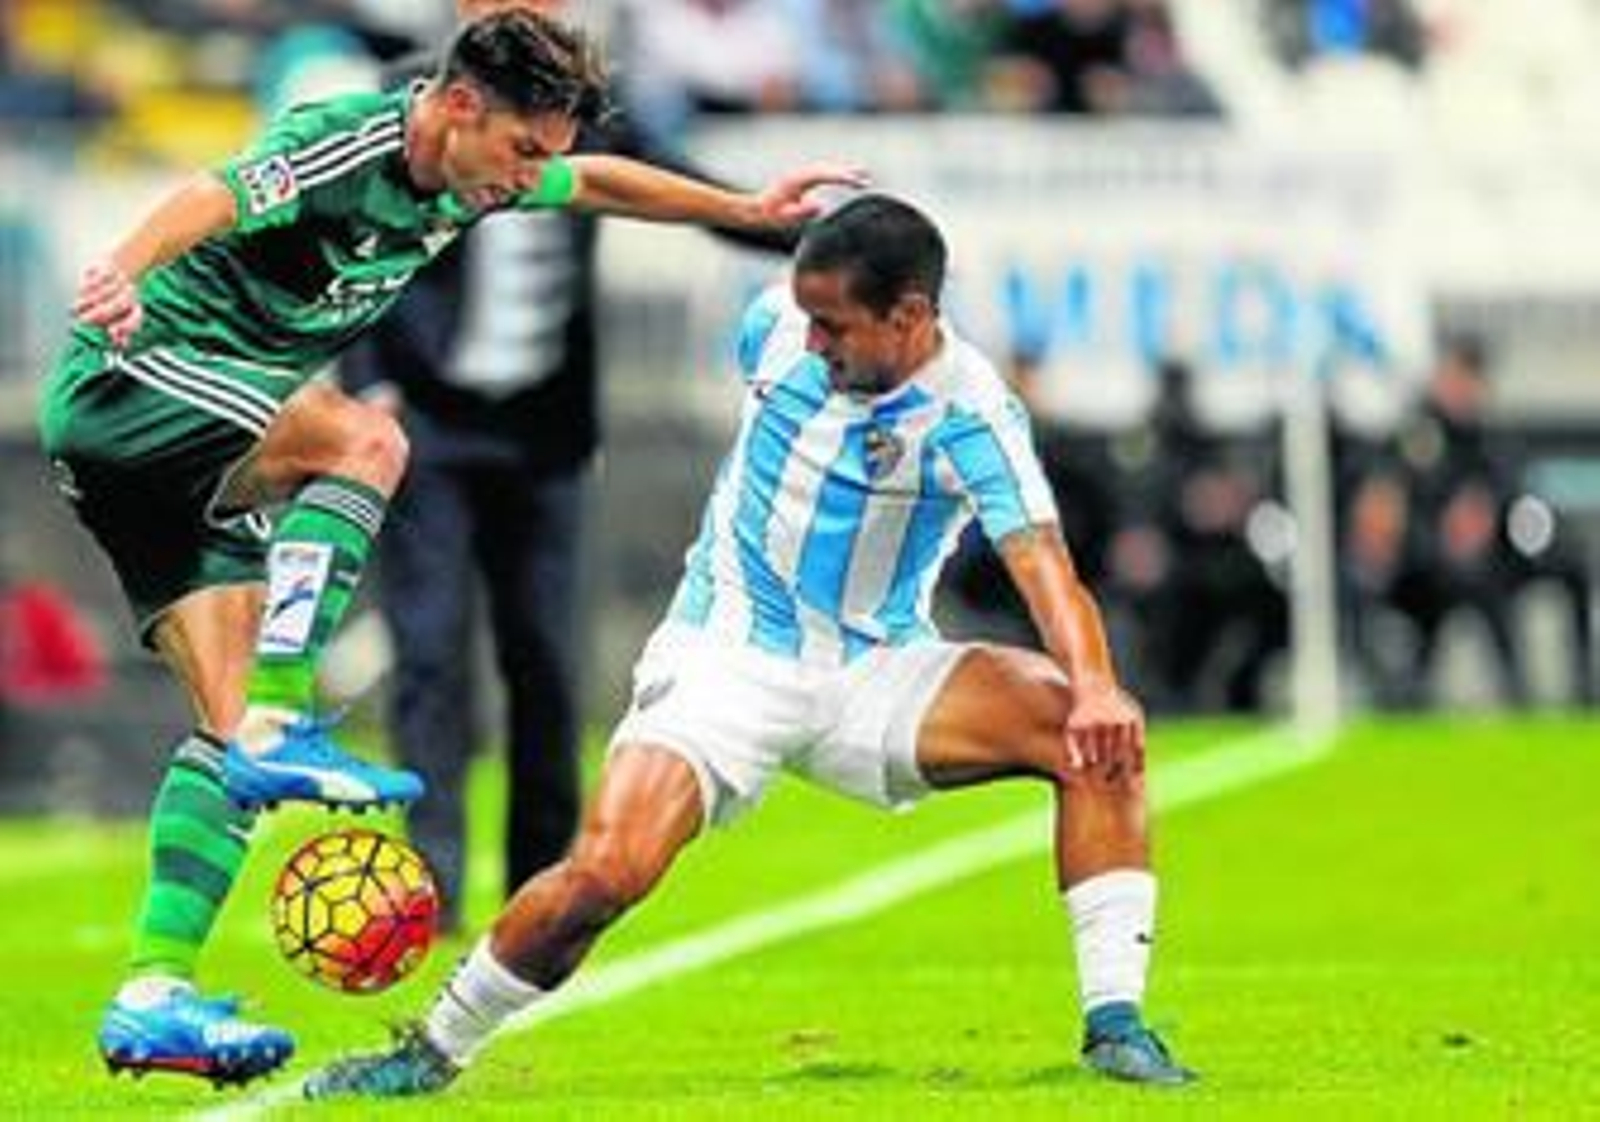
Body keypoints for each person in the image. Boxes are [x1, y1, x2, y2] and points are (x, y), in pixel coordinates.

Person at [39, 8, 859, 1088]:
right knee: (366, 437)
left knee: (224, 738)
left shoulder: (476, 177)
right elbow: (218, 193)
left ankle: (153, 992)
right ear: (459, 102)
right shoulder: (353, 140)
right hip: (133, 384)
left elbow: (605, 183)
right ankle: (288, 711)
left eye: (545, 157)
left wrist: (741, 207)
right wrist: (118, 277)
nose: (531, 181)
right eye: (524, 151)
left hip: (185, 454)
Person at [306, 194, 1196, 1100]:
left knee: (1088, 729)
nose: (812, 341)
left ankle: (1116, 1028)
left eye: (835, 325)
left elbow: (1042, 565)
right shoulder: (772, 326)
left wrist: (1097, 686)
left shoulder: (974, 416)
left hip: (873, 670)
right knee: (607, 873)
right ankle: (429, 1049)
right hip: (726, 654)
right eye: (807, 317)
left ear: (912, 316)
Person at [341, 0, 803, 936]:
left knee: (544, 658)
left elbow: (674, 189)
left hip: (545, 431)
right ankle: (431, 888)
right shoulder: (413, 106)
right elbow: (348, 253)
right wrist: (368, 388)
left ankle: (540, 888)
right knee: (430, 655)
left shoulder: (580, 109)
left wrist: (812, 233)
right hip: (425, 424)